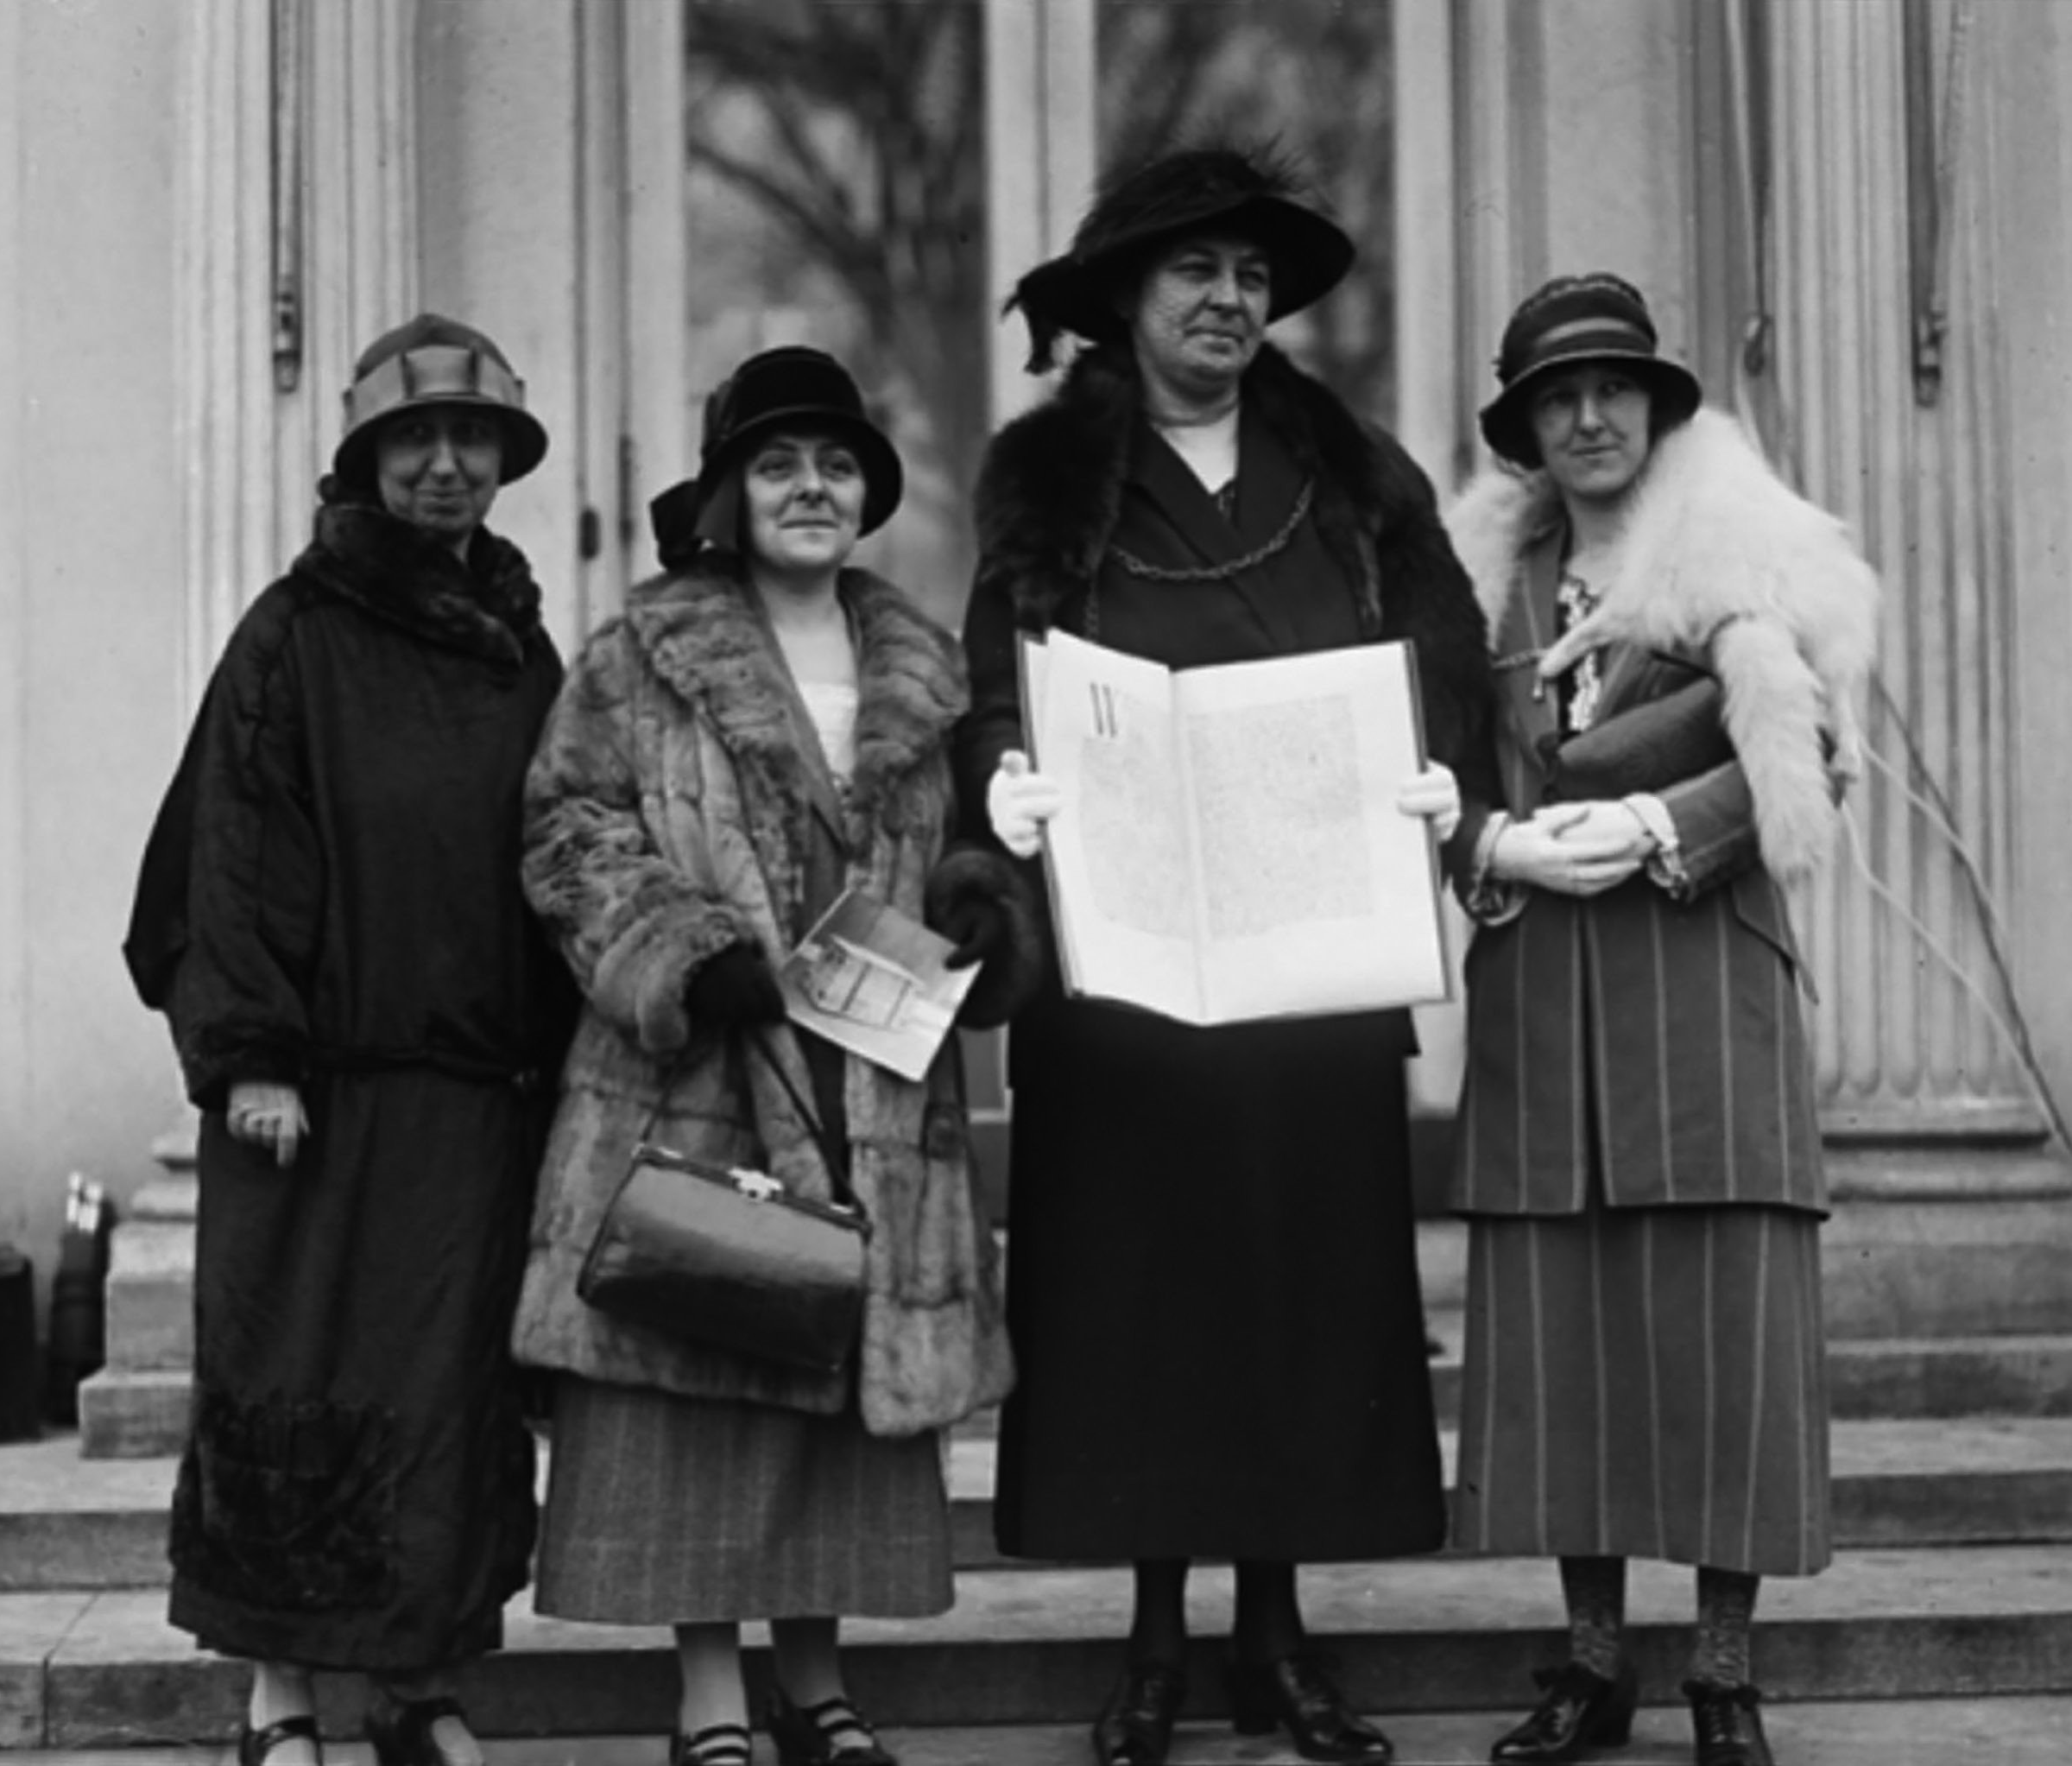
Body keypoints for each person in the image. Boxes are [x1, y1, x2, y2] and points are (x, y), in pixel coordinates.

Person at [955, 146, 1498, 1766]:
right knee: (1135, 1301)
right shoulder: (1047, 482)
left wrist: (1438, 767)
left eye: (1250, 276)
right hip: (1120, 975)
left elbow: (1446, 649)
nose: (1226, 300)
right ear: (1124, 300)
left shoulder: (1350, 471)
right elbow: (999, 671)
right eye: (1193, 270)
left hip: (1305, 962)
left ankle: (1278, 1638)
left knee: (1290, 1298)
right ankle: (1147, 1640)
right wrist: (1007, 777)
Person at [509, 345, 1036, 1766]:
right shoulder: (640, 654)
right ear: (726, 497)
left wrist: (979, 898)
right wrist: (679, 949)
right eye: (777, 464)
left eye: (838, 464)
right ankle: (711, 1703)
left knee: (833, 1401)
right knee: (708, 1394)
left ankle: (819, 1685)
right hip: (698, 1083)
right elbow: (567, 830)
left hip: (868, 1082)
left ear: (866, 495)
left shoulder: (915, 662)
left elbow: (953, 847)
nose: (812, 487)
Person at [123, 313, 578, 1766]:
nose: (445, 464)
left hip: (472, 1104)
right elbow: (234, 851)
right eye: (415, 440)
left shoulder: (519, 642)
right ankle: (282, 1704)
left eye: (471, 442)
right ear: (367, 459)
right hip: (312, 1102)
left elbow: (563, 845)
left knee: (443, 1401)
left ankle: (424, 1694)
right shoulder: (296, 629)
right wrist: (253, 1051)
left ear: (502, 462)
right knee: (292, 1381)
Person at [1442, 273, 1879, 1766]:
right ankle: (1587, 1661)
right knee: (1567, 1333)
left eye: (1610, 388)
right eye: (1553, 398)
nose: (1585, 416)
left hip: (1699, 977)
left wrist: (1658, 819)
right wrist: (1484, 844)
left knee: (1718, 1327)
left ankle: (1721, 1667)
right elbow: (1427, 778)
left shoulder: (1744, 557)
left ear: (1655, 404)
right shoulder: (1481, 592)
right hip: (1543, 992)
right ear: (1521, 431)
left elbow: (1812, 744)